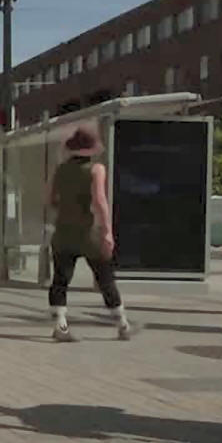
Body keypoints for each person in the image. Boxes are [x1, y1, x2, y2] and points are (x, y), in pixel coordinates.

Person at [46, 126, 132, 342]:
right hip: (89, 233)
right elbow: (100, 201)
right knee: (105, 278)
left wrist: (66, 208)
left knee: (60, 280)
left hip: (63, 232)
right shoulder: (96, 170)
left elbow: (50, 199)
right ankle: (122, 324)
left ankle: (60, 325)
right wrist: (108, 232)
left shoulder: (60, 169)